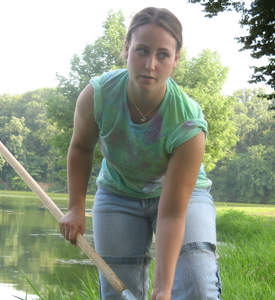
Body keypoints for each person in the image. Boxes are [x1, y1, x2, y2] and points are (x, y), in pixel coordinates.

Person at [59, 6, 222, 300]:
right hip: (118, 192)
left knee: (198, 286)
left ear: (175, 60)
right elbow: (81, 147)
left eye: (162, 55)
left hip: (182, 197)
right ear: (126, 49)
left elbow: (171, 214)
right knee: (120, 292)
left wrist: (163, 288)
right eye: (142, 51)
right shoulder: (97, 95)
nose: (150, 64)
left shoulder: (188, 123)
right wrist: (75, 207)